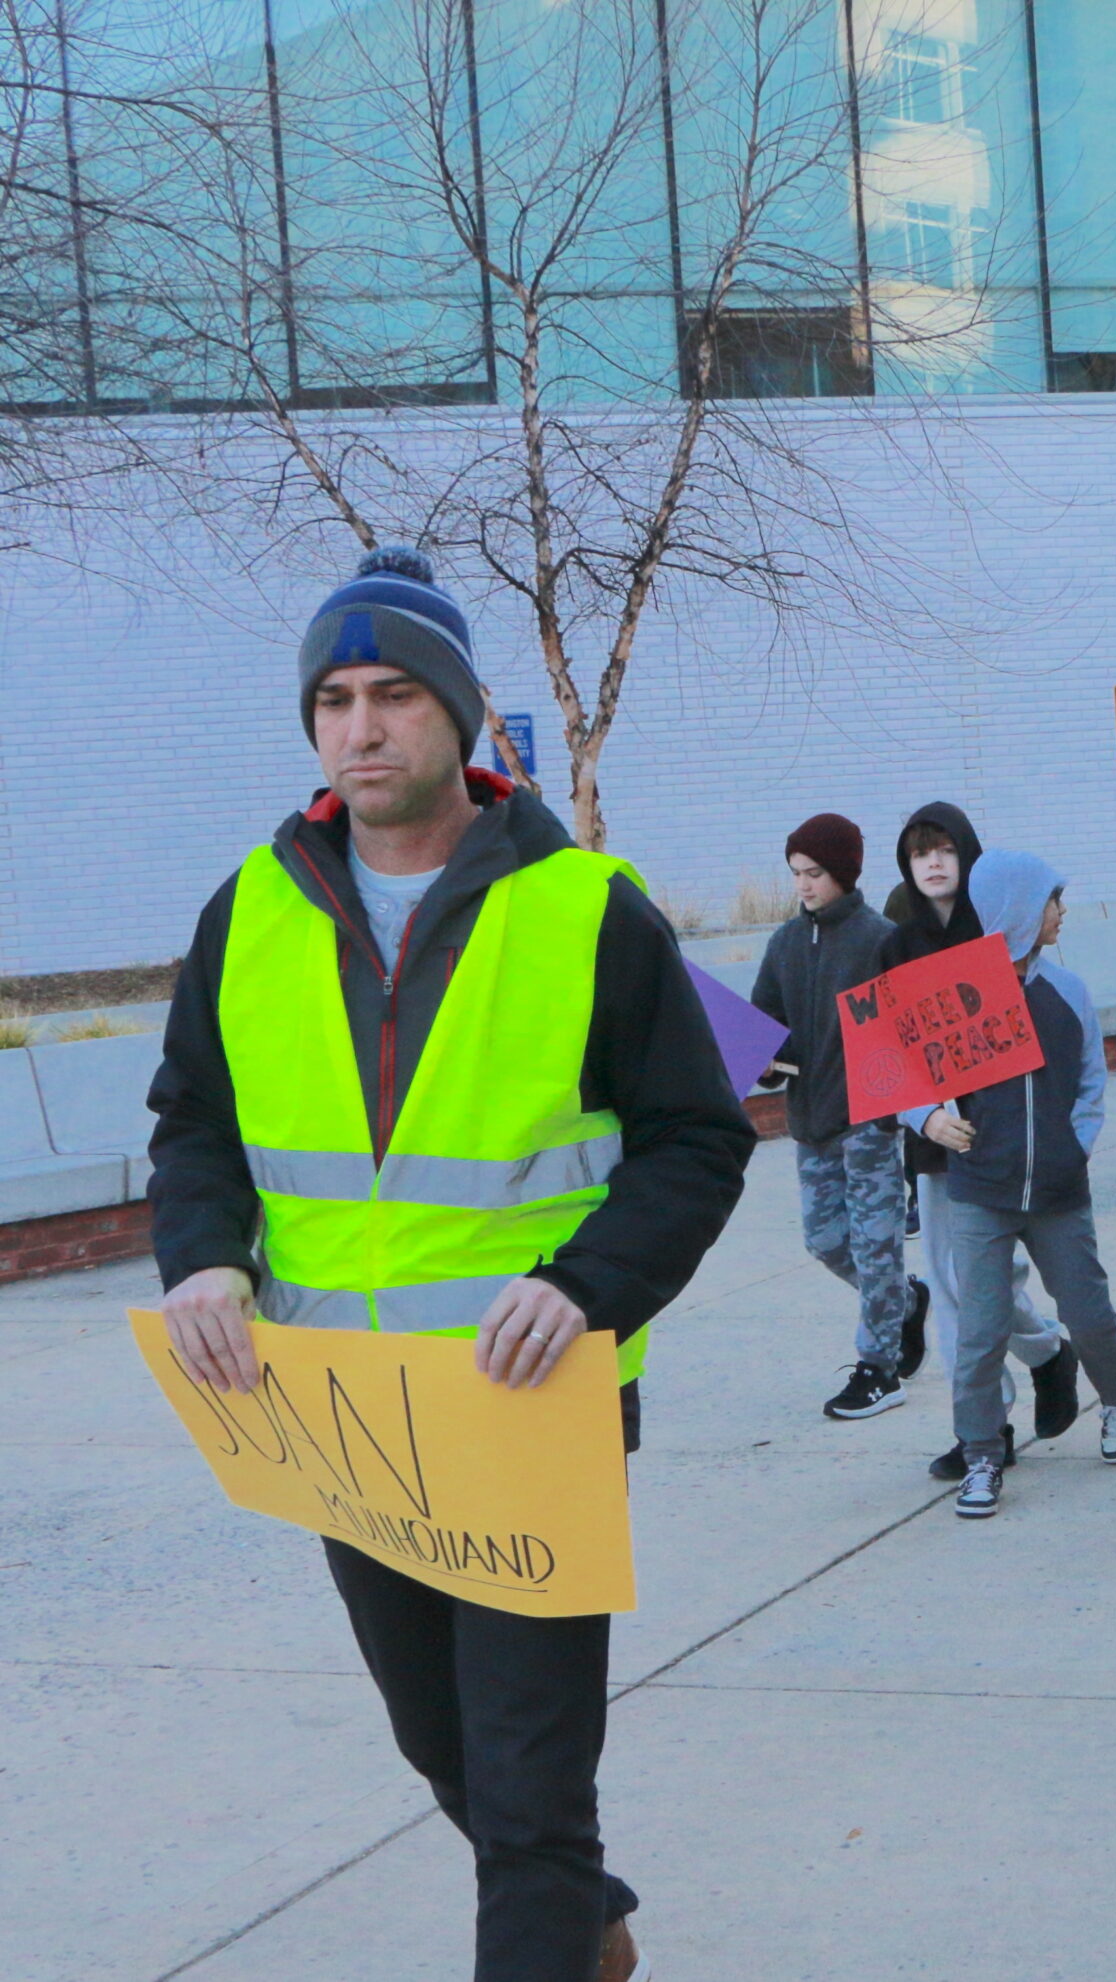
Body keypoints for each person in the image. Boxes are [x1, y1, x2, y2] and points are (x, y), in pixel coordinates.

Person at [148, 546, 754, 1982]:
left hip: (528, 1402)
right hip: (342, 1413)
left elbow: (697, 1139)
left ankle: (555, 1915)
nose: (362, 727)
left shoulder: (589, 908)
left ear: (467, 719)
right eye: (336, 700)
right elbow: (196, 1127)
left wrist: (584, 1284)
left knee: (533, 1781)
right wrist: (203, 1258)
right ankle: (582, 1924)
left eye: (397, 695)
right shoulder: (248, 910)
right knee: (442, 1743)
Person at [904, 851, 1116, 1519]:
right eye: (1050, 901)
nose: (1061, 912)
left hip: (1060, 1193)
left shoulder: (1067, 992)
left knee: (1088, 1313)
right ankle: (981, 1452)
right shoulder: (955, 993)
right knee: (979, 1330)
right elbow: (905, 1076)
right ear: (1014, 908)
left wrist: (1076, 1146)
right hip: (979, 1190)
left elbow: (1092, 1084)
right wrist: (929, 1117)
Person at [876, 804, 1074, 1479]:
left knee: (991, 1284)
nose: (932, 863)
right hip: (936, 1145)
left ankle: (1046, 1355)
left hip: (1005, 1142)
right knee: (955, 1287)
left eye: (944, 850)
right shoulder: (895, 945)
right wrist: (924, 1116)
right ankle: (989, 1423)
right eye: (918, 852)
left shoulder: (998, 937)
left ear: (968, 856)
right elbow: (884, 1054)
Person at [750, 812, 929, 1422]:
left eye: (815, 873)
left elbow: (908, 1031)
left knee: (877, 1246)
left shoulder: (881, 940)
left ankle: (879, 1368)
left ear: (845, 874)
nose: (803, 885)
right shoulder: (784, 944)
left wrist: (899, 1105)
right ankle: (905, 1302)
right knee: (826, 1241)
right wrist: (768, 1066)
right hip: (812, 1120)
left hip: (872, 1122)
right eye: (796, 874)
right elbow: (764, 1028)